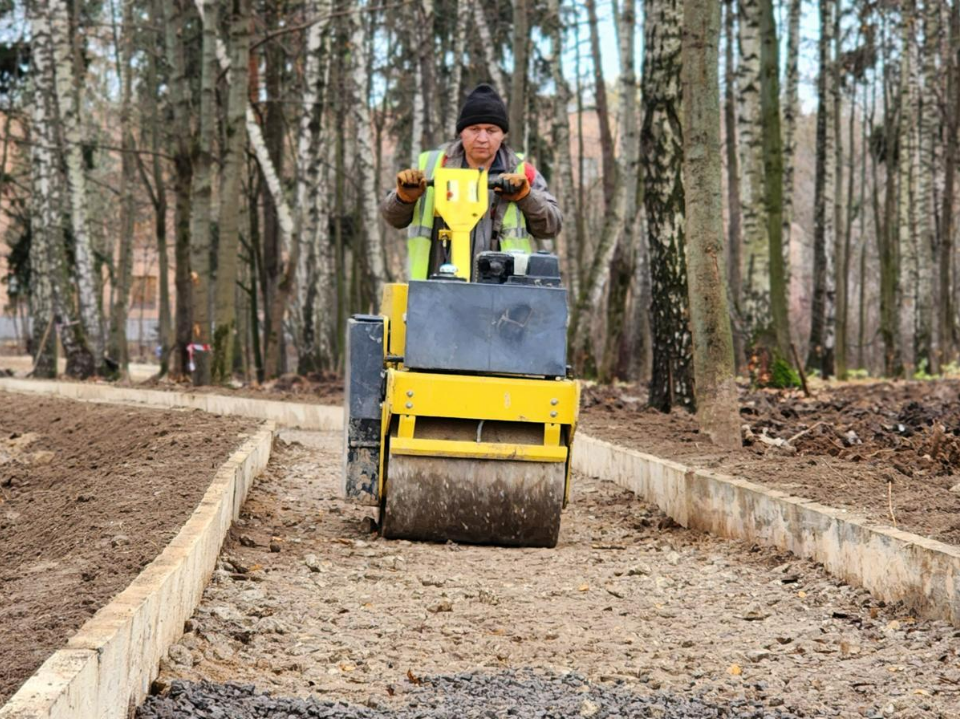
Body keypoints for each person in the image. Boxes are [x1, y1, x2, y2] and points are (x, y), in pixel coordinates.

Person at [380, 83, 562, 279]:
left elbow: (551, 227)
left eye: (491, 130)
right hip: (435, 290)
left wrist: (526, 197)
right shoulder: (432, 166)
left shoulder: (521, 172)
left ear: (503, 134)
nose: (482, 138)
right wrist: (403, 199)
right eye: (474, 129)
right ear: (461, 132)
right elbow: (393, 218)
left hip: (502, 292)